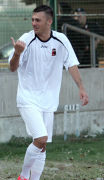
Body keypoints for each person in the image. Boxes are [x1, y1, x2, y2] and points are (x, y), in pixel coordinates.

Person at [9, 5, 89, 180]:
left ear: (49, 21)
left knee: (42, 146)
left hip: (48, 102)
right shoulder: (26, 40)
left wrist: (81, 88)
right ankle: (23, 176)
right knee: (41, 139)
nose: (34, 23)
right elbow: (12, 68)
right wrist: (16, 54)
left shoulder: (61, 40)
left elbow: (72, 65)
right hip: (28, 99)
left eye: (38, 20)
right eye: (32, 20)